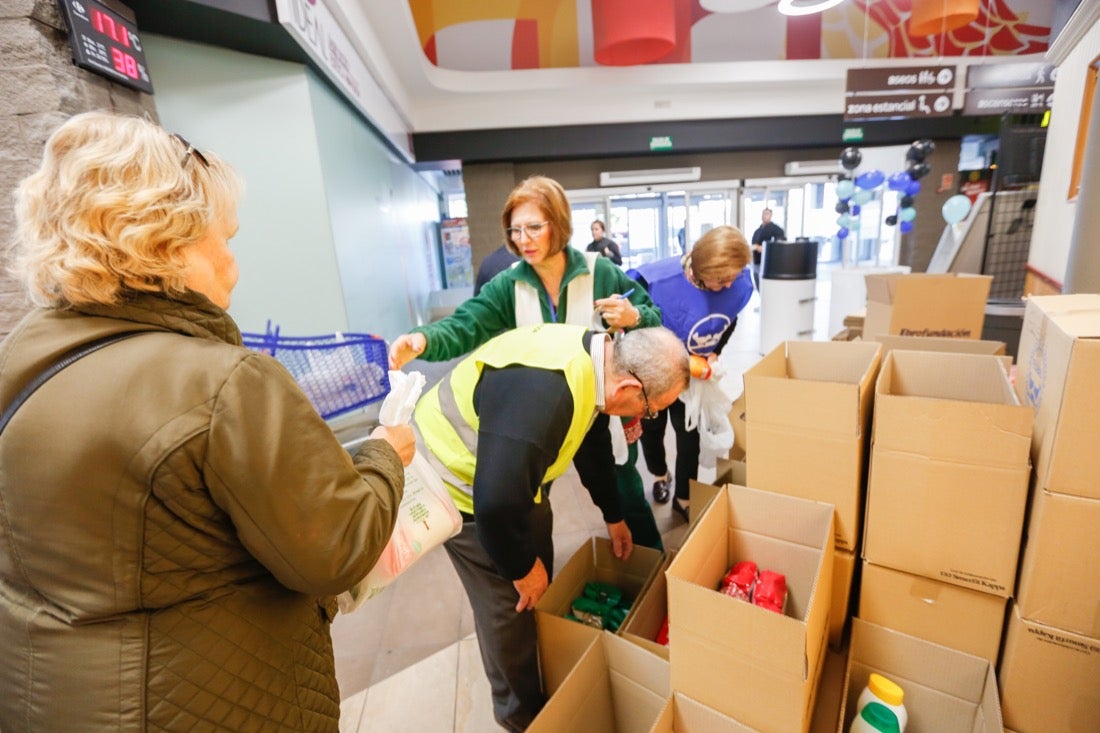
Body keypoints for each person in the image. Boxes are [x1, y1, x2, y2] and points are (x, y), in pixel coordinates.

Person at [0, 111, 415, 732]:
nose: (232, 264)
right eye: (224, 238)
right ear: (166, 242)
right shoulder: (224, 383)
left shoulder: (23, 359)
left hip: (48, 694)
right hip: (204, 697)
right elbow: (336, 550)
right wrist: (385, 454)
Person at [413, 323, 690, 731]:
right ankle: (522, 717)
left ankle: (538, 667)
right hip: (457, 481)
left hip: (507, 476)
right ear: (629, 387)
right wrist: (522, 571)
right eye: (651, 410)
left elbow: (591, 442)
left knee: (536, 575)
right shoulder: (547, 394)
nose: (647, 417)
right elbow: (495, 506)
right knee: (509, 603)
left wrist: (613, 515)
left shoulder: (599, 361)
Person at [389, 175, 666, 549]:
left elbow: (654, 316)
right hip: (541, 418)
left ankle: (652, 565)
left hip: (598, 412)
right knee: (528, 501)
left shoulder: (598, 271)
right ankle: (536, 576)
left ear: (560, 224)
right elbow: (467, 323)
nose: (524, 239)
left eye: (534, 227)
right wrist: (424, 340)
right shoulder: (508, 285)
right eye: (515, 229)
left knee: (623, 489)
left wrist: (634, 317)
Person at [627, 225, 754, 519]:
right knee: (652, 430)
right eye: (720, 279)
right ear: (699, 270)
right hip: (656, 369)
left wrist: (714, 350)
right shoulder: (659, 283)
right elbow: (637, 329)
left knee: (689, 437)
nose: (726, 286)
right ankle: (660, 475)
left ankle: (684, 496)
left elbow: (729, 320)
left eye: (731, 279)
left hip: (694, 377)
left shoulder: (735, 284)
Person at [750, 208, 785, 290]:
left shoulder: (776, 229)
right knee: (758, 285)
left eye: (767, 214)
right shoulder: (758, 231)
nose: (764, 216)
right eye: (763, 214)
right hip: (757, 262)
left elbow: (780, 243)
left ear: (771, 215)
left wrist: (764, 248)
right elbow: (754, 244)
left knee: (767, 288)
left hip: (768, 264)